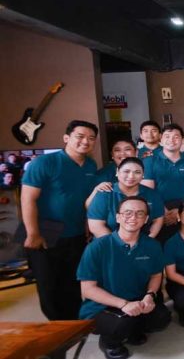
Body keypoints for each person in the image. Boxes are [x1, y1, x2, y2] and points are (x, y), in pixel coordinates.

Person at [21, 120, 99, 320]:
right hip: (46, 232)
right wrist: (33, 233)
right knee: (49, 285)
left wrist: (87, 225)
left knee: (73, 281)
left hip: (76, 233)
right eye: (80, 136)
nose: (85, 141)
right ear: (66, 138)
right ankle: (58, 325)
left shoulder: (91, 165)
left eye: (91, 138)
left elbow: (87, 200)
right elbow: (28, 199)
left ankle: (73, 323)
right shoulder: (44, 163)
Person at [77, 196, 171, 359]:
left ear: (146, 219)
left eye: (139, 213)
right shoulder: (97, 247)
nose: (133, 217)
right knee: (121, 323)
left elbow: (156, 275)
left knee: (161, 318)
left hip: (137, 299)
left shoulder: (152, 245)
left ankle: (133, 329)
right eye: (127, 213)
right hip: (103, 305)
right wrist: (124, 304)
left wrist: (150, 295)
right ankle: (110, 343)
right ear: (118, 217)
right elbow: (88, 289)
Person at [142, 123, 184, 244]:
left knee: (182, 246)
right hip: (158, 210)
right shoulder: (149, 161)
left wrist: (180, 211)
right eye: (167, 136)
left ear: (183, 141)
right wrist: (163, 211)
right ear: (161, 139)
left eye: (176, 137)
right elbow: (148, 191)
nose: (171, 140)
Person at [87, 157, 164, 238]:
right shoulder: (105, 193)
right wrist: (116, 244)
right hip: (107, 242)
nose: (131, 176)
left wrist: (147, 240)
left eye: (137, 172)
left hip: (143, 242)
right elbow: (96, 225)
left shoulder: (152, 194)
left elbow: (158, 220)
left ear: (143, 175)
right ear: (117, 172)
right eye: (126, 171)